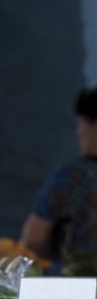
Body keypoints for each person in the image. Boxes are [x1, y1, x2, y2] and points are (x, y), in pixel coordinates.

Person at [20, 85, 97, 275]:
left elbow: (34, 239)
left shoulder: (70, 178)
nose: (78, 132)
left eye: (82, 123)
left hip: (75, 287)